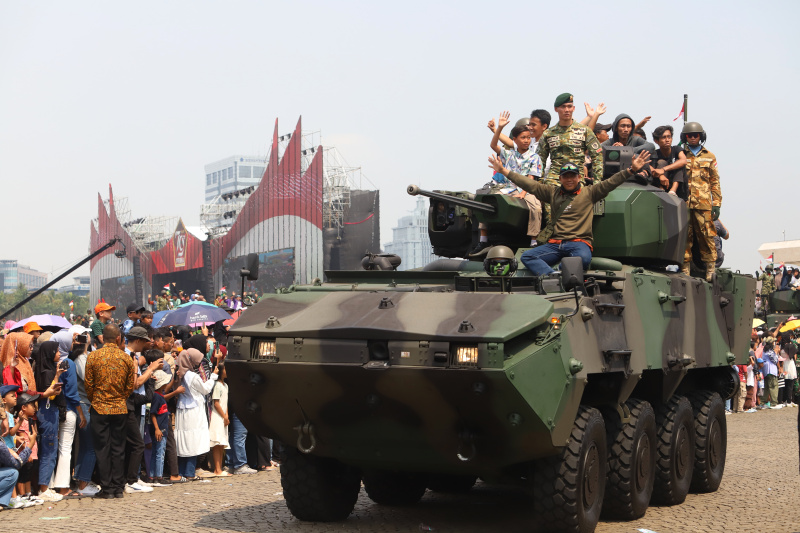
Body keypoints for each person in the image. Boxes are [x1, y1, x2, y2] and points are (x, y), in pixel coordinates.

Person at [488, 150, 651, 275]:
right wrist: (504, 170)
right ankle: (552, 276)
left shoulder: (590, 192)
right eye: (565, 177)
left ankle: (563, 272)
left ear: (579, 177)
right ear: (560, 179)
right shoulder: (553, 193)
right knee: (527, 257)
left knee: (583, 259)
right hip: (556, 244)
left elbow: (610, 183)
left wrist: (630, 170)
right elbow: (530, 185)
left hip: (579, 243)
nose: (569, 179)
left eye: (573, 176)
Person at [470, 112, 542, 256]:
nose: (526, 141)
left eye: (528, 138)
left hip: (526, 189)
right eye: (523, 138)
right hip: (508, 189)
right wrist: (499, 128)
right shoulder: (509, 154)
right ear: (515, 140)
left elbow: (531, 178)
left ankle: (534, 241)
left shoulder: (534, 157)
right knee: (486, 203)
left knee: (536, 207)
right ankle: (483, 239)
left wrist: (523, 193)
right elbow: (493, 145)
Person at [85, 324, 136, 499]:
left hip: (99, 408)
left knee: (102, 449)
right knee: (119, 448)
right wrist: (119, 398)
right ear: (118, 338)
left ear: (103, 337)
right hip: (120, 408)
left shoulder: (93, 357)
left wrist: (97, 399)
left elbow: (88, 386)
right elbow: (130, 386)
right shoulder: (126, 358)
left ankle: (106, 488)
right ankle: (118, 487)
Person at [680, 121, 721, 281]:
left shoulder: (709, 156)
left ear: (701, 136)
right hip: (684, 203)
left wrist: (716, 204)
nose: (692, 138)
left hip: (703, 203)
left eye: (695, 135)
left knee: (706, 235)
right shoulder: (681, 155)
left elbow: (715, 181)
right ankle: (685, 268)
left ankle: (710, 268)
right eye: (689, 135)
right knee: (685, 236)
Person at [537, 93, 603, 186]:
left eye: (569, 106)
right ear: (556, 109)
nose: (567, 110)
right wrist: (539, 184)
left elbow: (597, 156)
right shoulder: (548, 134)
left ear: (574, 108)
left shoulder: (585, 131)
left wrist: (597, 183)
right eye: (563, 107)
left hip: (577, 179)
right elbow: (539, 160)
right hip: (554, 180)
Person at [175, 346, 221, 479]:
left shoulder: (180, 374)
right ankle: (189, 472)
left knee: (184, 441)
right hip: (194, 410)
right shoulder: (192, 376)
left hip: (182, 410)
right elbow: (206, 389)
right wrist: (213, 376)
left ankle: (183, 471)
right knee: (193, 441)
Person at [31, 341, 66, 502]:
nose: (59, 354)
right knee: (49, 450)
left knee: (50, 450)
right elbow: (50, 394)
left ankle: (46, 486)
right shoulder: (46, 372)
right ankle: (43, 488)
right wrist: (57, 376)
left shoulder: (46, 369)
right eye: (57, 351)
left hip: (49, 412)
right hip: (47, 412)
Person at [12, 392, 40, 505]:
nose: (34, 408)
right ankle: (22, 495)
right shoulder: (21, 421)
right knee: (23, 475)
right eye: (32, 405)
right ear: (23, 407)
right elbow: (22, 438)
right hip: (26, 453)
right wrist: (26, 452)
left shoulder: (29, 420)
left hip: (32, 453)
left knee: (28, 473)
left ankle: (28, 494)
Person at [148, 370, 172, 484]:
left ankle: (152, 476)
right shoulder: (157, 397)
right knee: (159, 453)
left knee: (156, 452)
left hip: (160, 429)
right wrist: (157, 429)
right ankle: (158, 476)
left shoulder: (159, 395)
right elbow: (152, 413)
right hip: (159, 430)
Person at [650, 125, 687, 199]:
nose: (667, 140)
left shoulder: (677, 149)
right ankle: (661, 189)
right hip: (661, 186)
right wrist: (661, 175)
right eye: (664, 137)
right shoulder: (655, 153)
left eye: (669, 137)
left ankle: (673, 191)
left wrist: (663, 170)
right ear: (656, 141)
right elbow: (649, 167)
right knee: (661, 162)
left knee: (678, 162)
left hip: (679, 190)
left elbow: (683, 161)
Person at [208, 366, 230, 476]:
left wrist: (227, 416)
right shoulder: (217, 385)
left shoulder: (225, 385)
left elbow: (225, 403)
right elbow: (216, 403)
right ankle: (217, 469)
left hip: (223, 417)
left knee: (222, 444)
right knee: (217, 443)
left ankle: (219, 467)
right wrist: (224, 416)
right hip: (217, 417)